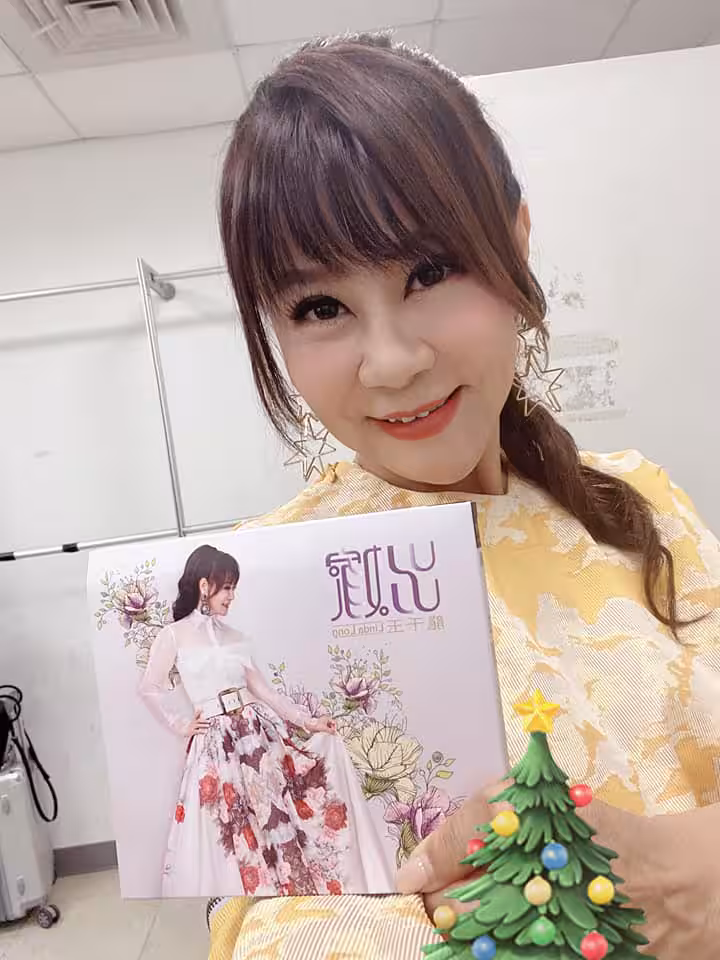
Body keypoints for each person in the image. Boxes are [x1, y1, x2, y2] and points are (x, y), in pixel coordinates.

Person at [206, 33, 720, 960]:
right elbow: (287, 921)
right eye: (320, 308)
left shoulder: (646, 502)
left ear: (514, 242)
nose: (393, 360)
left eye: (431, 272)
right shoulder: (273, 585)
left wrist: (693, 879)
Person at [140, 543, 391, 897]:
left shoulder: (235, 638)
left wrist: (308, 722)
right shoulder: (173, 636)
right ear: (204, 585)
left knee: (275, 815)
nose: (232, 596)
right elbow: (148, 687)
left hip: (255, 737)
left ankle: (287, 892)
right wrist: (181, 724)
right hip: (215, 744)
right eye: (227, 587)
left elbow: (265, 692)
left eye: (233, 588)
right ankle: (245, 903)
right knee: (228, 824)